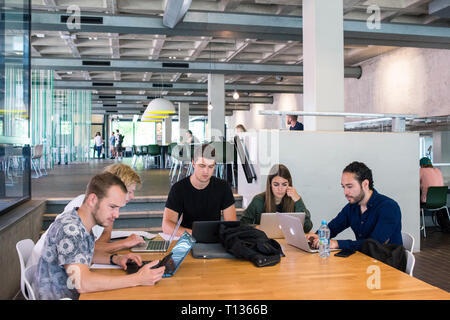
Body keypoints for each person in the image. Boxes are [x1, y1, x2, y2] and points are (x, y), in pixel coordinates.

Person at [32, 172, 165, 300]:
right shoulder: (70, 230)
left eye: (118, 208)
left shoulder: (79, 221)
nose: (116, 215)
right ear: (92, 200)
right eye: (112, 207)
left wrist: (116, 259)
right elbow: (82, 283)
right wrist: (137, 279)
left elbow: (83, 254)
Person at [29, 164, 145, 266]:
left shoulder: (104, 210)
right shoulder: (78, 214)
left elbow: (96, 243)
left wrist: (114, 257)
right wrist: (123, 244)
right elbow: (83, 281)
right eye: (129, 192)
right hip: (44, 274)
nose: (132, 196)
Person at [306, 161, 402, 251]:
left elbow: (373, 244)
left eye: (350, 186)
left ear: (365, 184)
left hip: (387, 264)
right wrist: (318, 236)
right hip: (364, 260)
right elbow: (333, 227)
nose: (345, 192)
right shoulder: (352, 206)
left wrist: (336, 244)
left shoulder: (389, 207)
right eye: (343, 187)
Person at [162, 143, 237, 236]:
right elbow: (166, 225)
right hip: (187, 236)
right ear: (193, 163)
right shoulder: (178, 189)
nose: (206, 171)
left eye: (211, 166)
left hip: (213, 239)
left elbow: (231, 223)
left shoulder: (223, 187)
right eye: (202, 166)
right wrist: (198, 234)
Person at [240, 164, 313, 233]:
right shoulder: (258, 200)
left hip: (287, 242)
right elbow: (242, 224)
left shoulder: (294, 199)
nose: (280, 189)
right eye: (276, 184)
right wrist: (256, 227)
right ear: (270, 184)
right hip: (265, 242)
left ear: (289, 184)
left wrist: (298, 200)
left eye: (284, 184)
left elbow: (307, 227)